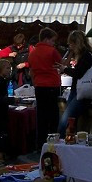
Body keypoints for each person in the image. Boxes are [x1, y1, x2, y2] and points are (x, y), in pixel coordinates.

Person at [57, 30, 92, 136]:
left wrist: (65, 69)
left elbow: (79, 73)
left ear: (76, 43)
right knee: (71, 122)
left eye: (71, 43)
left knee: (64, 122)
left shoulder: (86, 55)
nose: (69, 46)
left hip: (81, 92)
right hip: (77, 90)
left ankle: (59, 145)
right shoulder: (86, 55)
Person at [28, 27, 62, 156]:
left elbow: (31, 71)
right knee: (53, 116)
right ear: (47, 39)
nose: (54, 43)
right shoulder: (52, 51)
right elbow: (61, 63)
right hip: (52, 86)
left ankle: (40, 145)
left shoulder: (33, 53)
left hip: (39, 86)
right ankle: (53, 143)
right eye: (53, 40)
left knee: (41, 116)